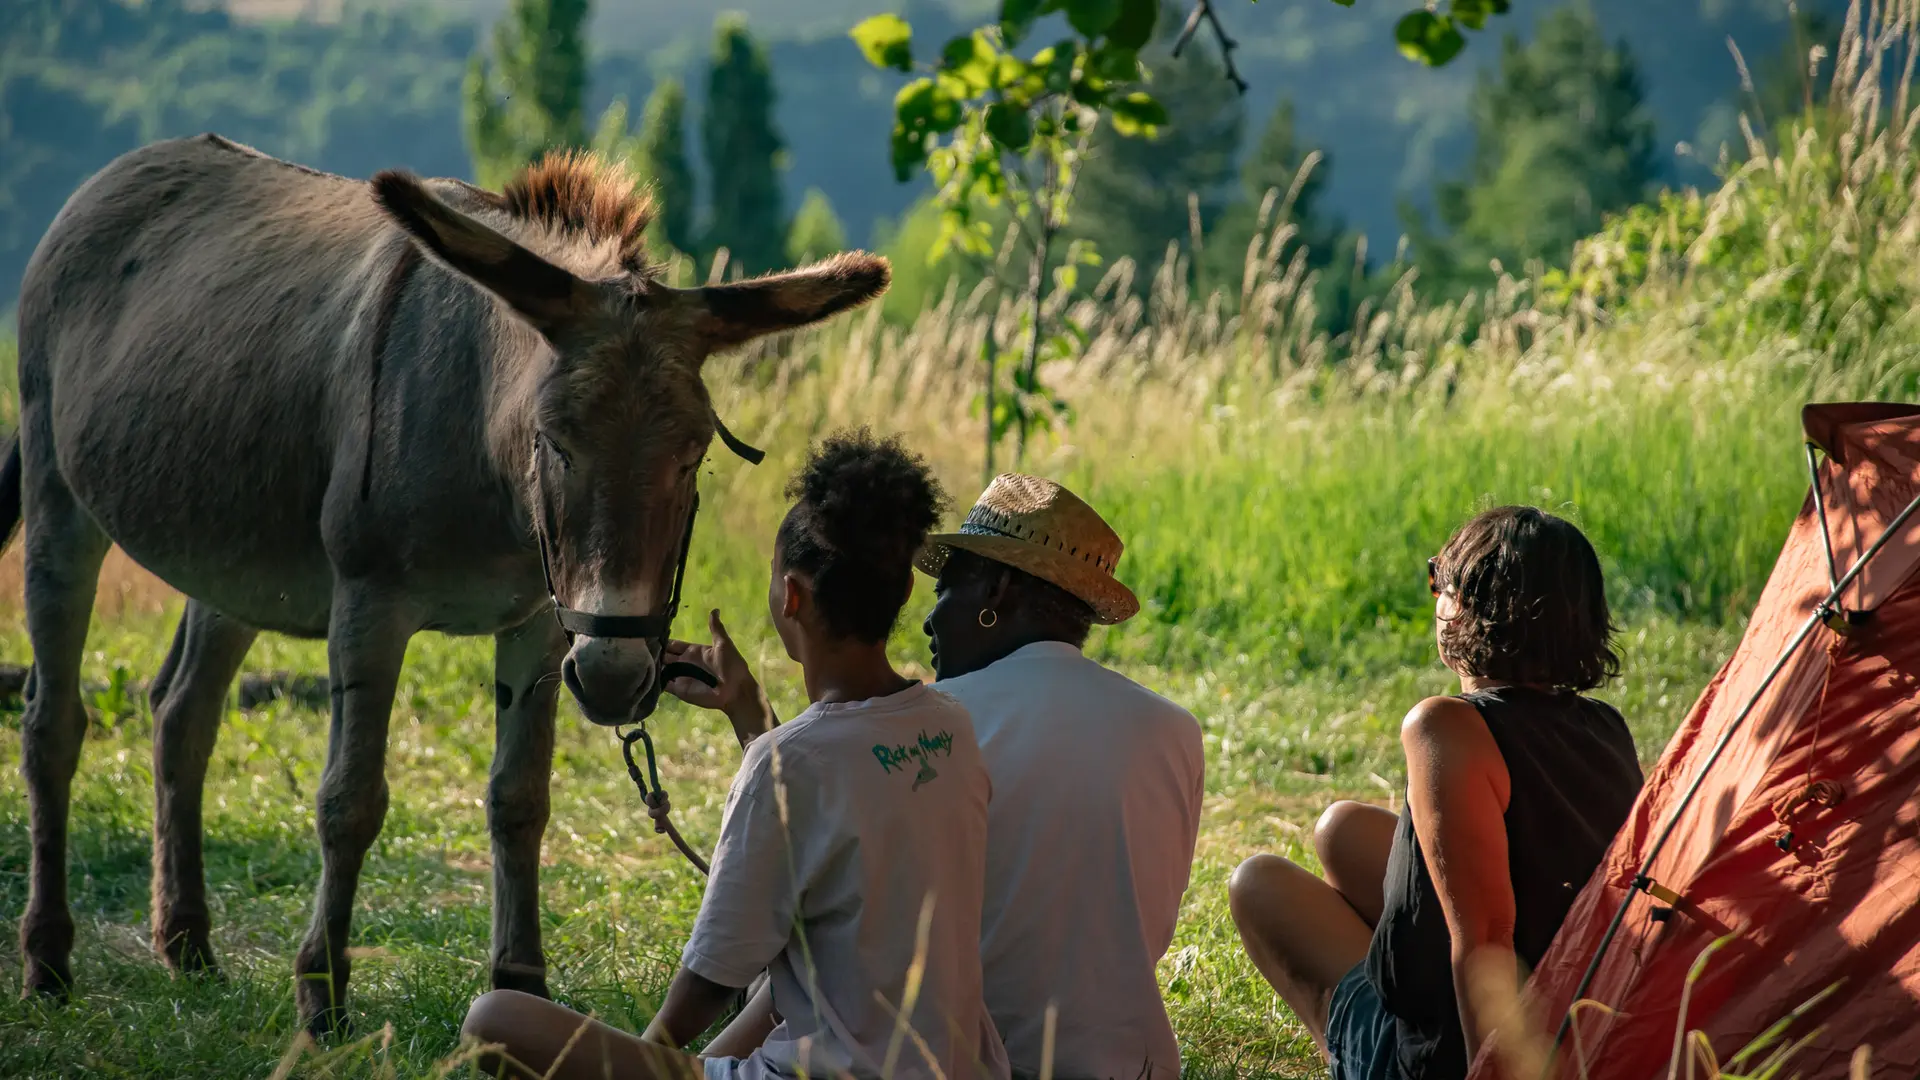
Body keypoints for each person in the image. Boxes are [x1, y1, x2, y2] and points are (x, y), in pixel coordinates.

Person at [460, 429, 1010, 1080]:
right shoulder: (950, 726)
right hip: (960, 1068)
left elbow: (714, 977)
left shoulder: (788, 764)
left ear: (791, 596)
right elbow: (834, 798)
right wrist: (748, 711)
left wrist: (649, 1056)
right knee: (782, 983)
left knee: (493, 1018)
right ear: (901, 593)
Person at [669, 474, 1205, 1080]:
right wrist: (752, 716)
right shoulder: (1175, 729)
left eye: (946, 590)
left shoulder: (942, 727)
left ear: (996, 591)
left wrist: (751, 715)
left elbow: (822, 798)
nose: (928, 620)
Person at [1228, 506, 1645, 1080]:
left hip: (1452, 1054)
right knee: (1341, 827)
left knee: (1257, 882)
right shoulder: (1605, 725)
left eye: (1438, 581)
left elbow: (1487, 940)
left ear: (1471, 608)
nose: (1434, 597)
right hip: (1572, 1010)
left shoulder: (1445, 727)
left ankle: (1356, 1054)